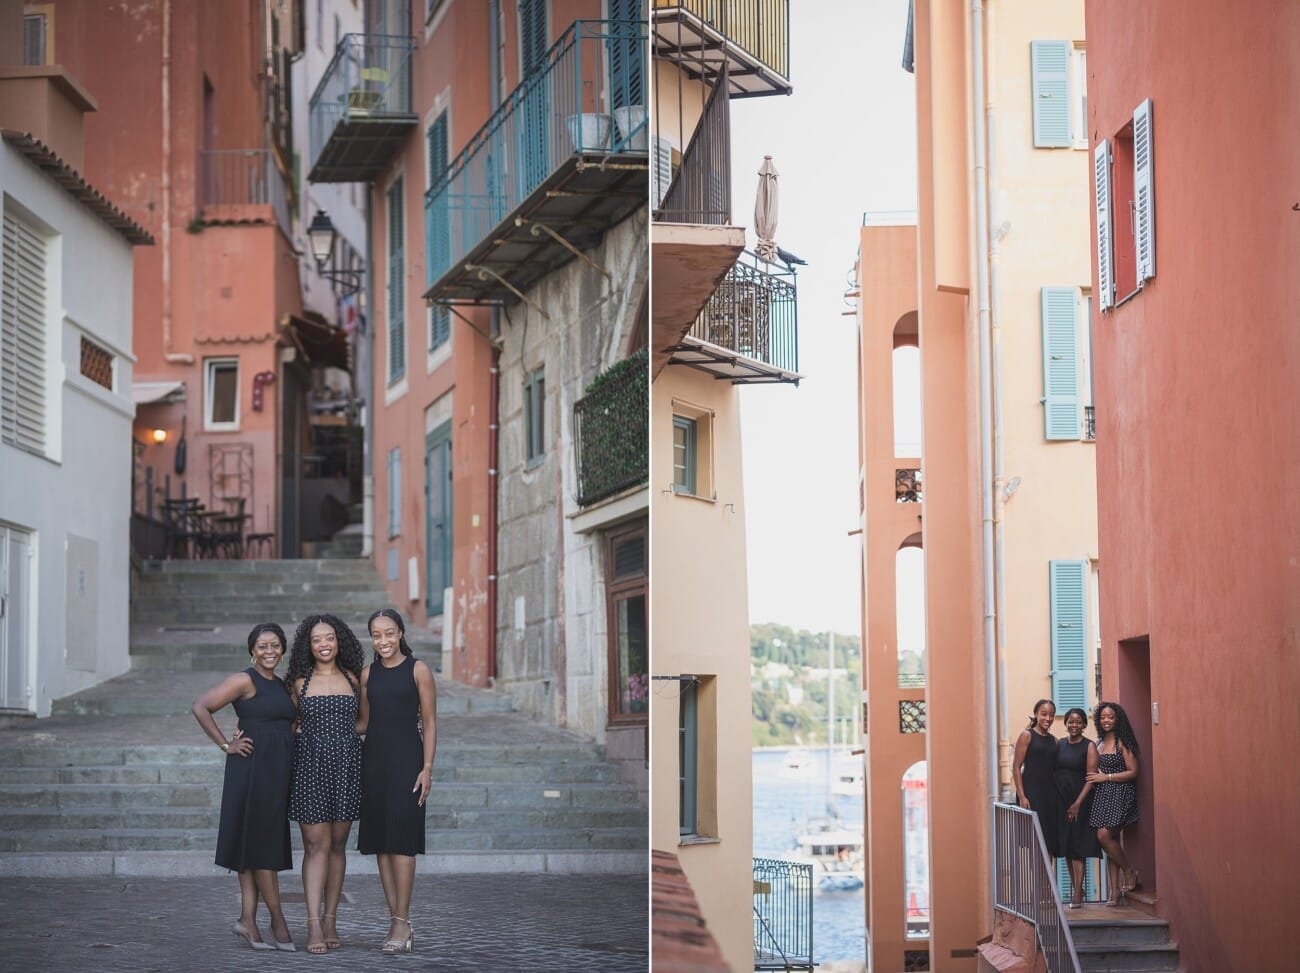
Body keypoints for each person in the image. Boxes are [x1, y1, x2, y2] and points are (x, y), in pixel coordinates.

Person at [191, 622, 296, 951]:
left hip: (276, 771)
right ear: (252, 650)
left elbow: (287, 722)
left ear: (283, 649)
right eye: (263, 646)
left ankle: (247, 922)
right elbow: (201, 707)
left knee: (254, 847)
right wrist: (226, 745)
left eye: (275, 645)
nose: (269, 651)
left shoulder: (282, 684)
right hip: (251, 770)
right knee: (262, 846)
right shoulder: (243, 680)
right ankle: (278, 920)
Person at [356, 608, 438, 954]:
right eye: (376, 635)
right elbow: (362, 723)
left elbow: (431, 722)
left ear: (401, 633)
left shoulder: (418, 670)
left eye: (389, 633)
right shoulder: (366, 674)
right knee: (381, 845)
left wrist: (427, 767)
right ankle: (395, 920)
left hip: (408, 763)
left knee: (402, 843)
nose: (383, 640)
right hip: (373, 763)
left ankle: (402, 922)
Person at [287, 614, 365, 954]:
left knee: (337, 846)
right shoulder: (298, 683)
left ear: (339, 641)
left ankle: (331, 918)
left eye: (329, 638)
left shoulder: (352, 678)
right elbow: (289, 725)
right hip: (310, 767)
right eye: (317, 639)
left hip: (347, 766)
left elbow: (363, 723)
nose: (324, 644)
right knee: (315, 845)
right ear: (308, 645)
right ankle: (313, 923)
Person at [1086, 700, 1141, 906]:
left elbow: (1133, 772)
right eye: (1103, 717)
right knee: (1110, 843)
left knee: (1104, 835)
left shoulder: (1123, 742)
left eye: (1110, 717)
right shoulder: (1099, 742)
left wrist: (1106, 777)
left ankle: (1129, 871)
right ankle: (1114, 892)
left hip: (1120, 794)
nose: (1106, 720)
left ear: (1118, 719)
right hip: (1102, 796)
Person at [1055, 707, 1102, 908]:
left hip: (1080, 800)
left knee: (1078, 847)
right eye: (1070, 722)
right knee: (1065, 846)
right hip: (1061, 799)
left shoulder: (1089, 746)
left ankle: (1076, 894)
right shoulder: (1060, 744)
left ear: (1084, 724)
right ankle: (1077, 888)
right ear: (1066, 724)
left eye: (1078, 722)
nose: (1074, 725)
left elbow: (1091, 778)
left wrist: (1077, 804)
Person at [1011, 698, 1061, 858]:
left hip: (1050, 796)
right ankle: (1039, 882)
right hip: (1032, 795)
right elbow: (1016, 767)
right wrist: (1022, 796)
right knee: (1035, 842)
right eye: (1044, 714)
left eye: (1051, 715)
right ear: (1036, 715)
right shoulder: (1027, 735)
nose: (1048, 718)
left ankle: (1047, 883)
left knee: (1050, 843)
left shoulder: (1055, 741)